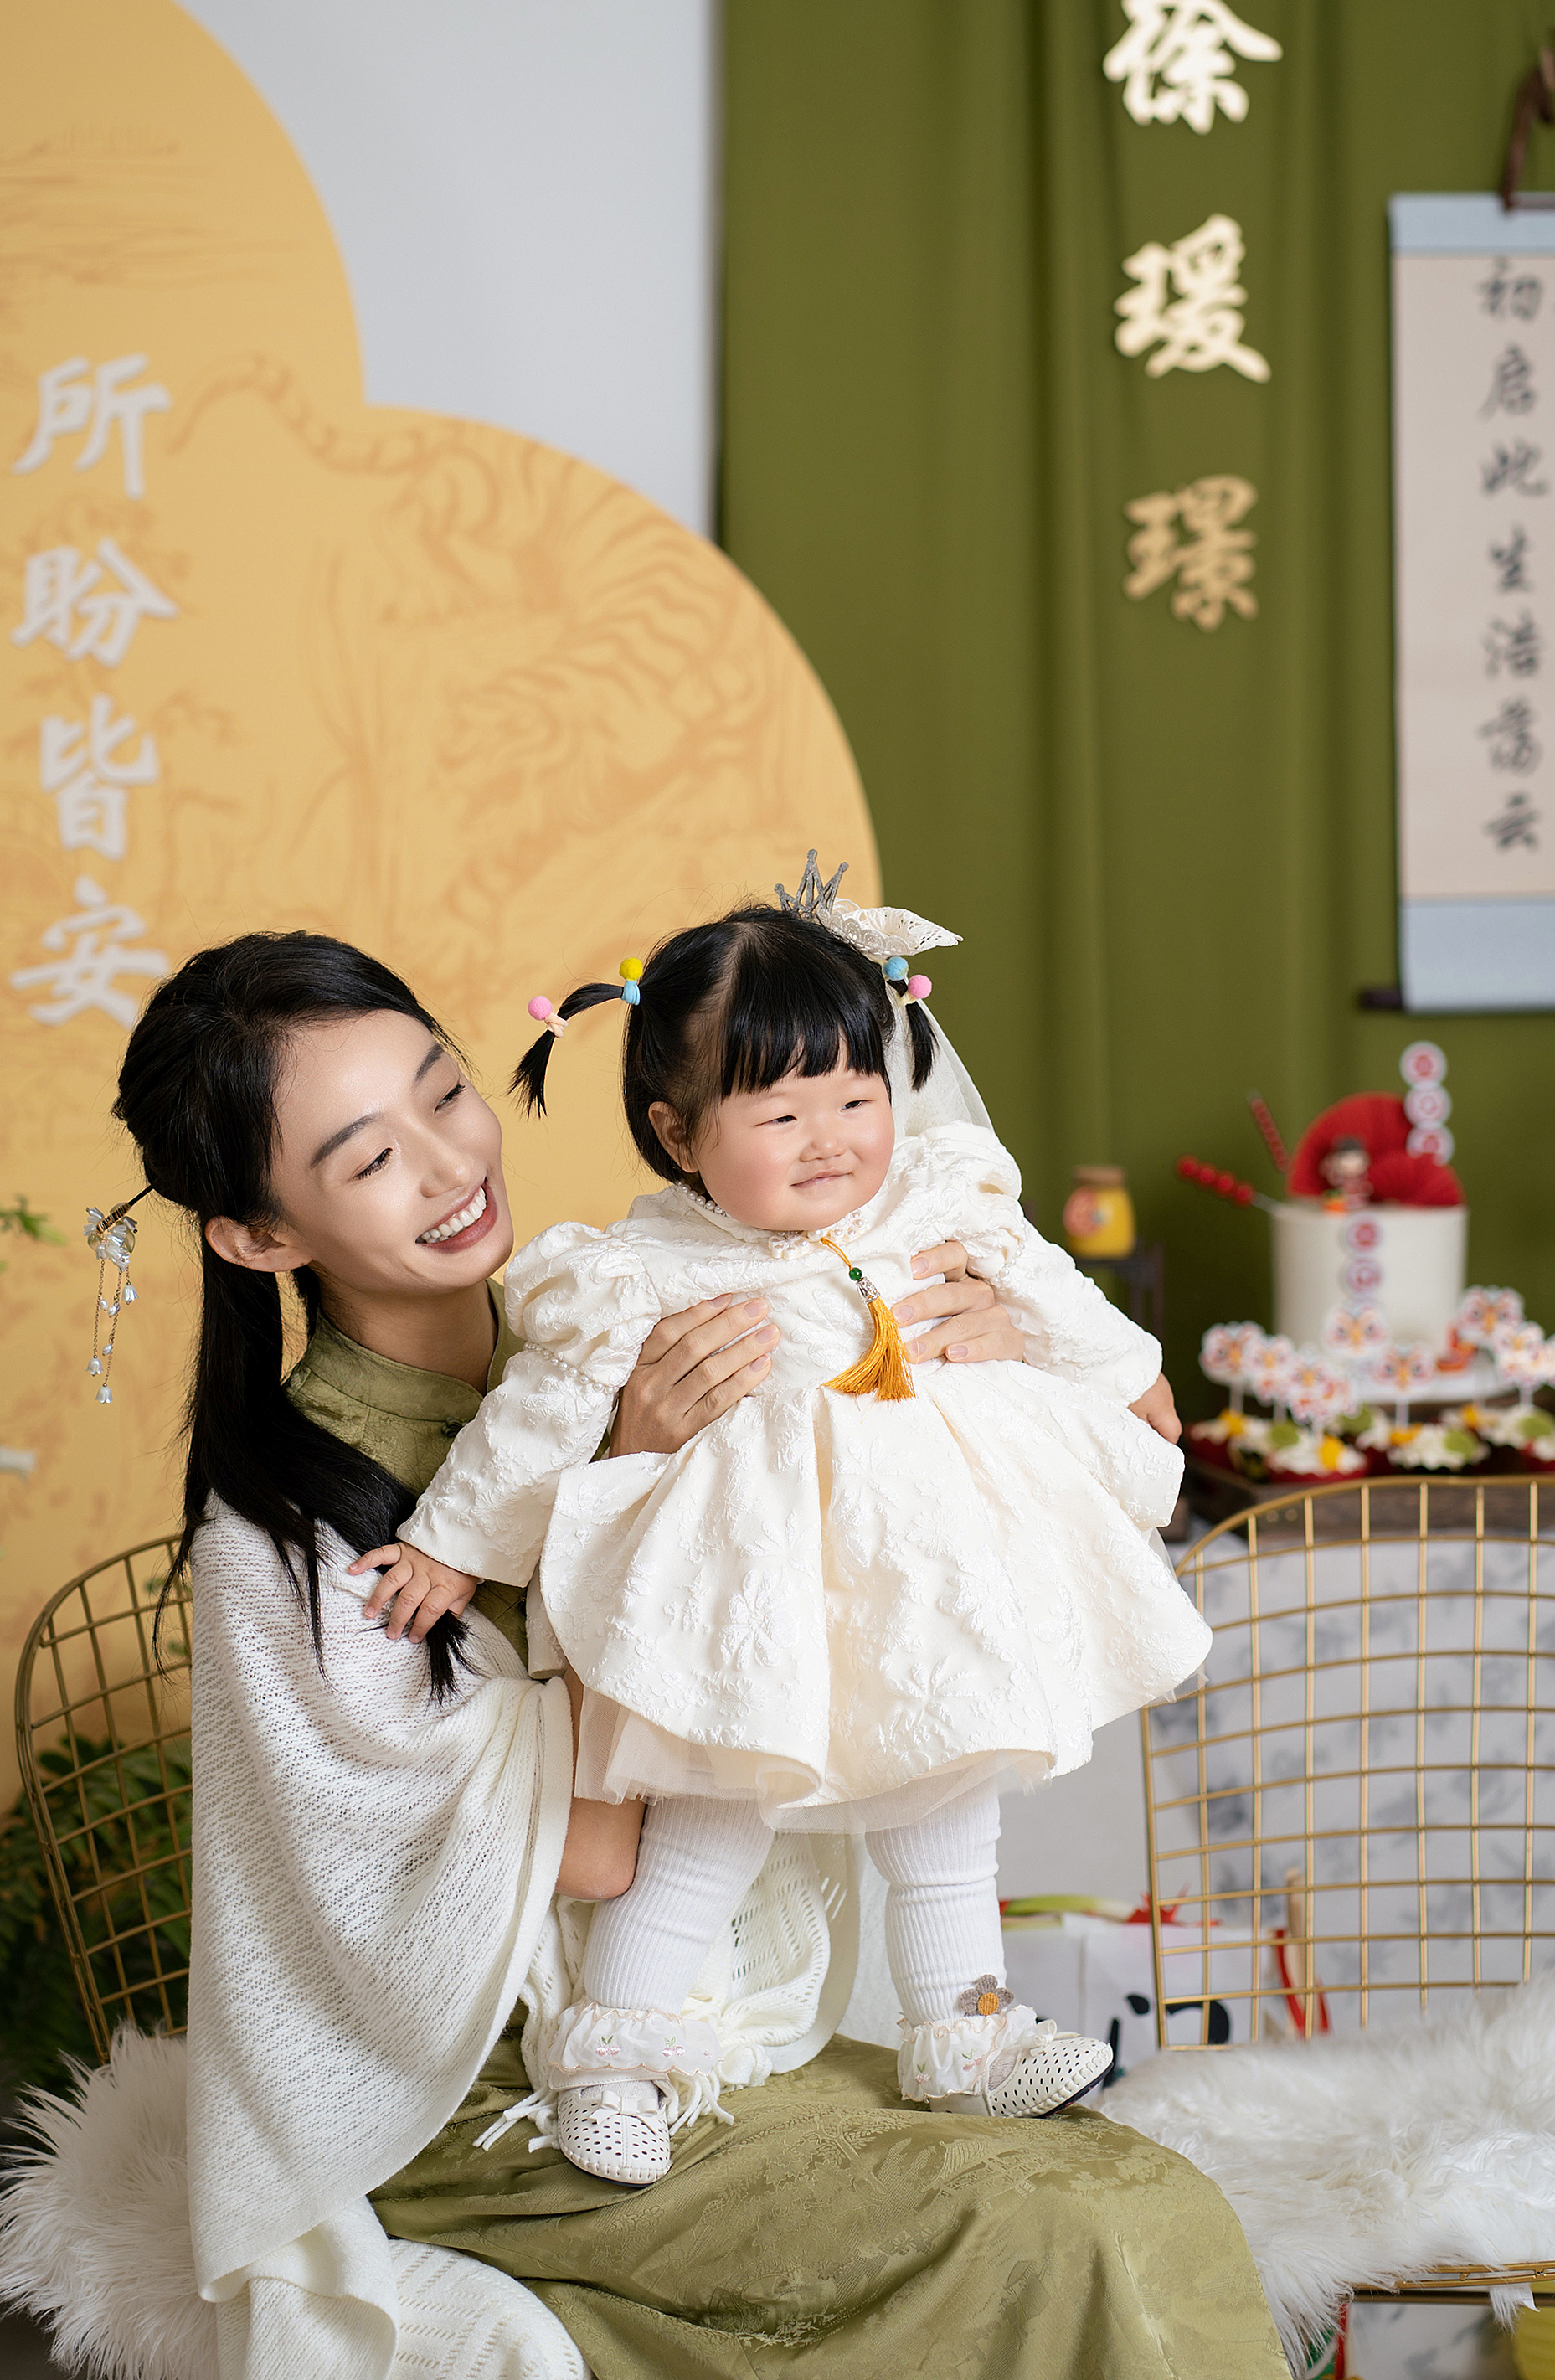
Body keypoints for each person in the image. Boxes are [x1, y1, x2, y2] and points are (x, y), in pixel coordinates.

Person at [112, 927, 1288, 2380]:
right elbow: (590, 1856)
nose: (449, 1161)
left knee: (1145, 2198)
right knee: (1071, 2231)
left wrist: (959, 1358)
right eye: (369, 1158)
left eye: (446, 1089)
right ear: (259, 1235)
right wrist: (629, 1488)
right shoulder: (284, 1538)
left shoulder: (639, 1314)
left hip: (740, 2025)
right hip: (492, 2103)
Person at [370, 893, 1211, 2185]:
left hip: (923, 1581)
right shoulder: (647, 1267)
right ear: (679, 1134)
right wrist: (455, 1543)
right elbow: (538, 1415)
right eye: (778, 1115)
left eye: (856, 1097)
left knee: (949, 1807)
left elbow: (1047, 1284)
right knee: (708, 1823)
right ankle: (612, 2051)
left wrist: (1129, 1373)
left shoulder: (936, 1199)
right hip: (748, 1602)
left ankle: (965, 2032)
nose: (831, 1140)